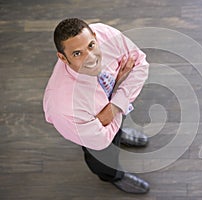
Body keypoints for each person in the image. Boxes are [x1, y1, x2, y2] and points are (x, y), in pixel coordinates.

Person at [43, 18, 150, 194]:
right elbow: (99, 141)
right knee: (103, 158)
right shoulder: (63, 104)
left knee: (115, 125)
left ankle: (119, 134)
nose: (91, 58)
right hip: (91, 136)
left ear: (94, 36)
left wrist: (113, 106)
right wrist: (121, 91)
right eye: (77, 54)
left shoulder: (104, 34)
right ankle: (113, 176)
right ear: (63, 57)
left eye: (91, 46)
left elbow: (140, 64)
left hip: (107, 110)